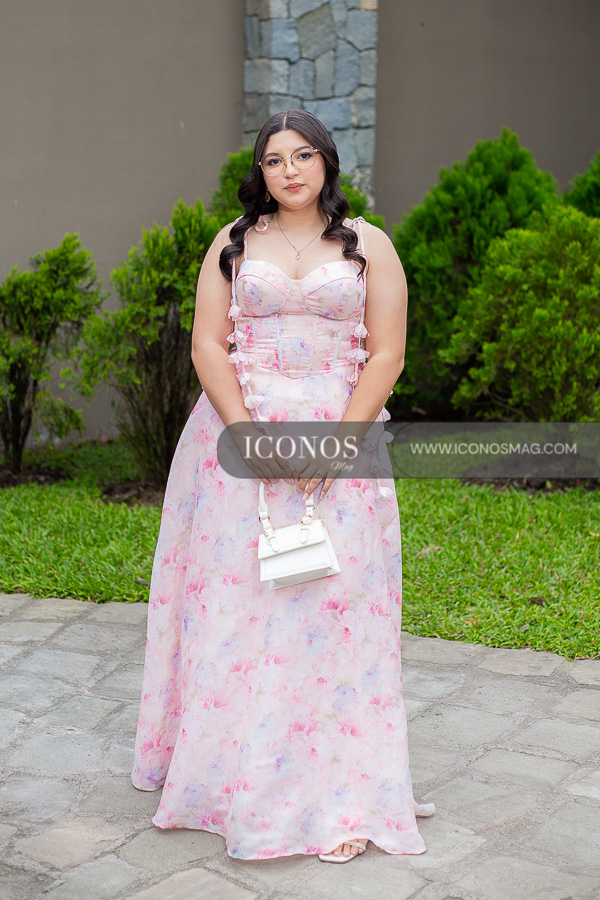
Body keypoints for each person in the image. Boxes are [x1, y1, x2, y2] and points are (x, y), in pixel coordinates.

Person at [131, 108, 435, 863]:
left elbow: (388, 354)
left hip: (341, 437)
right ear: (260, 173)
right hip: (239, 439)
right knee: (237, 609)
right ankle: (228, 781)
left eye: (302, 155)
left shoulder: (370, 245)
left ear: (326, 161)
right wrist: (246, 433)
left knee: (334, 611)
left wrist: (340, 443)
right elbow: (208, 343)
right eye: (273, 160)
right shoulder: (233, 242)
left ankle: (340, 797)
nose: (289, 170)